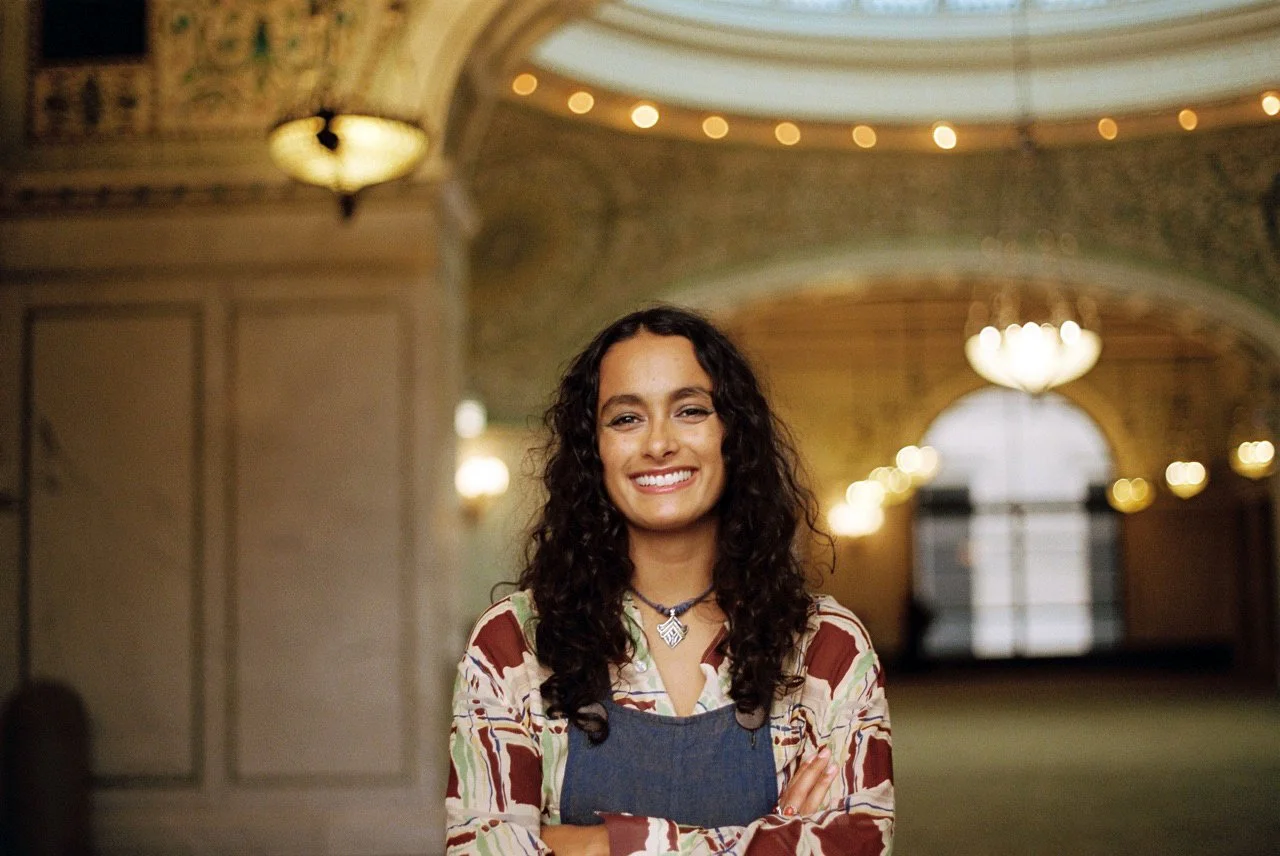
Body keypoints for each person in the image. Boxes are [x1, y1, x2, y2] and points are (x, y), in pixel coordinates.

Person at [445, 306, 893, 855]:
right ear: (594, 449)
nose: (658, 443)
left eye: (690, 410)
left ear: (733, 434)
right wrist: (767, 841)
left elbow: (858, 848)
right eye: (626, 418)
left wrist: (598, 846)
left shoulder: (826, 646)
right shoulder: (514, 643)